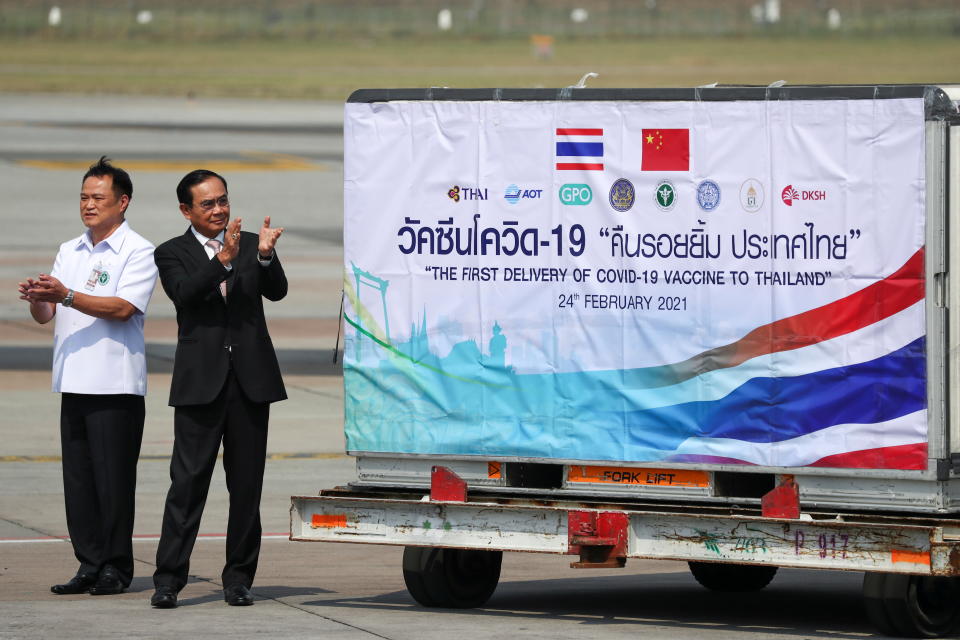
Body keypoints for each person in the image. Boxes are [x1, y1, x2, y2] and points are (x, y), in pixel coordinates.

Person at [17, 156, 158, 596]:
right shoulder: (69, 249)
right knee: (78, 482)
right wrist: (39, 298)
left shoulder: (138, 250)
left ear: (123, 202)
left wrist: (68, 294)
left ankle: (117, 567)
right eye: (83, 196)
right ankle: (89, 563)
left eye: (98, 197)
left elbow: (122, 309)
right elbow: (47, 316)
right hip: (73, 380)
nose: (88, 205)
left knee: (113, 482)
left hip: (114, 384)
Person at [150, 169, 286, 609]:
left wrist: (264, 257)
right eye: (207, 204)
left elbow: (278, 292)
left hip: (250, 381)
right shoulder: (171, 252)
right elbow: (185, 294)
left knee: (246, 487)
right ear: (186, 210)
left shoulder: (250, 244)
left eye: (223, 200)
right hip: (200, 383)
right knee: (187, 484)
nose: (219, 209)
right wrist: (223, 261)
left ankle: (239, 578)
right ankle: (169, 578)